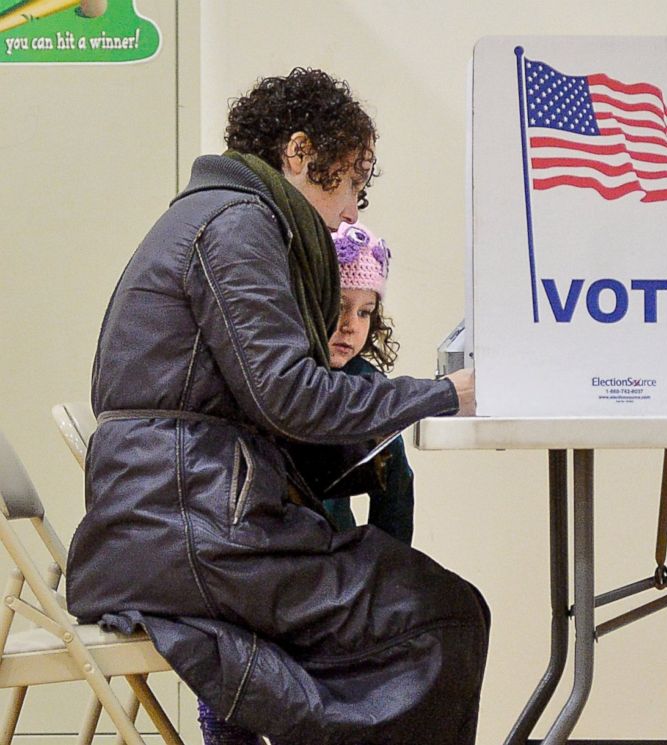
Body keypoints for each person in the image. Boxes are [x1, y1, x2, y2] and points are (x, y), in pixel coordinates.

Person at [65, 68, 489, 745]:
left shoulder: (213, 215)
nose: (352, 210)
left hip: (166, 520)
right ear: (297, 153)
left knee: (425, 600)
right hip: (190, 529)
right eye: (350, 181)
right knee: (442, 613)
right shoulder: (238, 226)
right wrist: (446, 393)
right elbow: (291, 396)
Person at [286, 220, 419, 545]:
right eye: (339, 306)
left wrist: (388, 566)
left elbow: (396, 485)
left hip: (337, 551)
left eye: (365, 312)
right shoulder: (278, 373)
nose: (350, 325)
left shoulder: (368, 385)